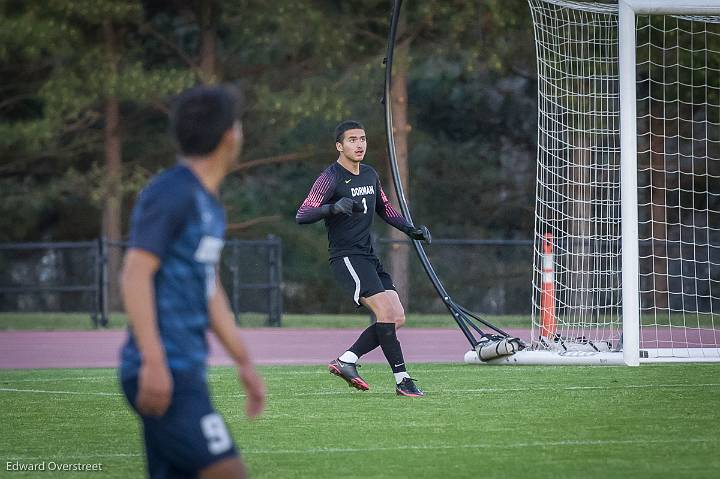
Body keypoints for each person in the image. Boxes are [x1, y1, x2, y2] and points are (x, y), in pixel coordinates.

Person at [119, 85, 266, 479]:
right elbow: (135, 272)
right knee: (230, 472)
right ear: (228, 136)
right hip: (165, 370)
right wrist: (153, 359)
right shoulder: (173, 192)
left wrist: (244, 361)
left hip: (186, 368)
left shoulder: (209, 203)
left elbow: (209, 288)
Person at [296, 120, 432, 397]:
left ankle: (346, 360)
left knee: (397, 317)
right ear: (339, 146)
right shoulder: (330, 177)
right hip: (346, 257)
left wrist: (410, 229)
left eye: (363, 139)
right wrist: (333, 207)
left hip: (368, 255)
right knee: (385, 313)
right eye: (352, 140)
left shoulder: (370, 174)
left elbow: (385, 208)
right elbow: (303, 213)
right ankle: (402, 380)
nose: (359, 145)